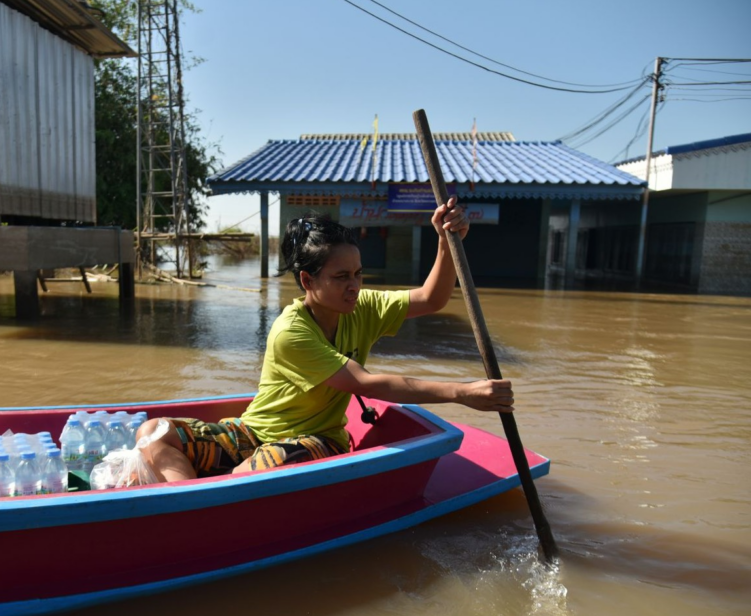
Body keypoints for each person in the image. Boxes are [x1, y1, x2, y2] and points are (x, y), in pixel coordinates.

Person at [134, 197, 514, 483]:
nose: (354, 287)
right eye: (341, 277)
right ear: (308, 281)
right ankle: (191, 507)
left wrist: (446, 242)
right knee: (153, 433)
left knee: (252, 473)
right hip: (254, 431)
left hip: (319, 438)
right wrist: (461, 392)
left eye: (359, 274)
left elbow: (432, 298)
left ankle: (212, 501)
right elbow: (366, 384)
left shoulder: (363, 306)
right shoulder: (291, 331)